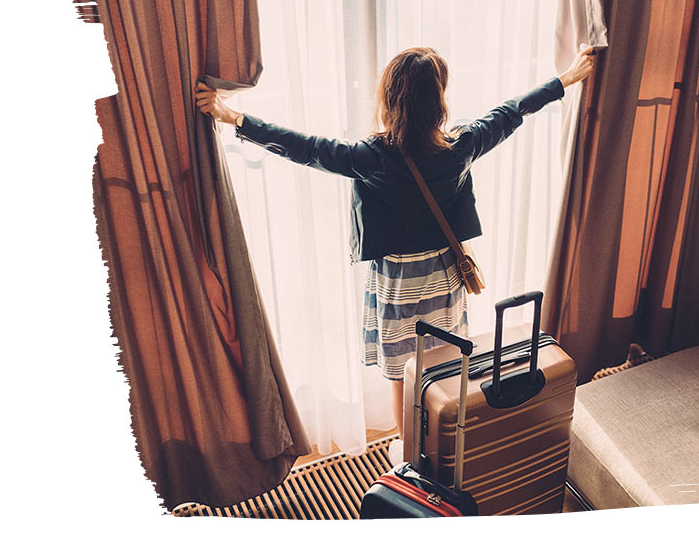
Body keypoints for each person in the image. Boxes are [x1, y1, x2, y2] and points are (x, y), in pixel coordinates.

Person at [195, 46, 595, 464]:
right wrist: (565, 79)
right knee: (444, 361)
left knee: (404, 371)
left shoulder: (371, 157)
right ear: (438, 103)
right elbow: (512, 111)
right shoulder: (460, 146)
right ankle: (447, 441)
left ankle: (409, 454)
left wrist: (235, 118)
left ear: (389, 100)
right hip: (443, 275)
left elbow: (307, 147)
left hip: (399, 282)